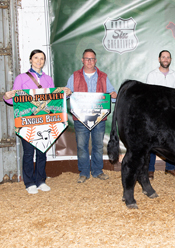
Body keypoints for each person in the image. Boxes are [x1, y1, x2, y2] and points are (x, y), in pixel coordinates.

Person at [3, 49, 71, 194]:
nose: (39, 61)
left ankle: (40, 180)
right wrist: (6, 96)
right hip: (27, 121)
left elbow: (54, 99)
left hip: (44, 121)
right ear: (30, 60)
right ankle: (29, 183)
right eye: (36, 58)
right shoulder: (21, 78)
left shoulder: (48, 79)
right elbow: (14, 99)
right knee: (28, 153)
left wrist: (65, 95)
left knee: (42, 151)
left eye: (41, 58)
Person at [65, 49, 117, 183]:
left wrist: (113, 96)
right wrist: (67, 92)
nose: (89, 61)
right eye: (87, 59)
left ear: (96, 61)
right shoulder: (74, 76)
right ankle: (83, 172)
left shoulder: (103, 77)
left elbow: (111, 94)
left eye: (92, 59)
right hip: (80, 118)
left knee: (98, 145)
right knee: (82, 146)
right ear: (82, 60)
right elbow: (67, 93)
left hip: (99, 117)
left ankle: (97, 171)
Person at [146, 50, 175, 180]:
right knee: (152, 142)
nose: (165, 59)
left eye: (168, 57)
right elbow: (150, 96)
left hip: (171, 114)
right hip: (155, 114)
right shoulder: (152, 75)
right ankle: (150, 170)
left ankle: (170, 168)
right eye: (163, 57)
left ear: (170, 60)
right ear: (159, 59)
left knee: (171, 141)